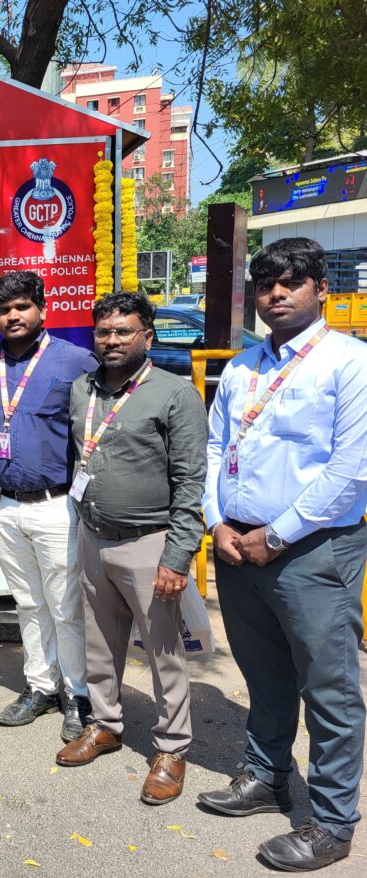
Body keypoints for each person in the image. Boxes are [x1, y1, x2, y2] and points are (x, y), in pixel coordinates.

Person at [197, 238, 367, 872]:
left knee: (329, 690)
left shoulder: (350, 363)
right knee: (264, 674)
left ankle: (331, 822)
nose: (276, 295)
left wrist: (275, 536)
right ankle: (267, 777)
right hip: (238, 546)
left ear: (321, 287)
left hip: (313, 550)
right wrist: (216, 522)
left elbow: (351, 470)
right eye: (266, 285)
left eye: (291, 283)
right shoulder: (242, 367)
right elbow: (214, 449)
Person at [56, 292, 206, 807]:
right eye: (103, 332)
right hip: (93, 536)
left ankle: (171, 748)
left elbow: (190, 482)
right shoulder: (83, 388)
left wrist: (177, 557)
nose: (112, 340)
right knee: (99, 642)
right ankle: (105, 724)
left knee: (163, 651)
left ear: (148, 335)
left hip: (149, 543)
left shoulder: (174, 394)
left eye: (124, 331)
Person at [0, 271, 99, 743]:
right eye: (4, 309)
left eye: (22, 306)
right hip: (5, 505)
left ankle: (78, 695)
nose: (13, 316)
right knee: (27, 603)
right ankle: (41, 686)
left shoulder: (76, 361)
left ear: (42, 309)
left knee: (65, 606)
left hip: (57, 505)